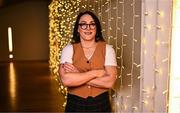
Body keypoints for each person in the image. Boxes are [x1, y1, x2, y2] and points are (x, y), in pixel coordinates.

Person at [59, 11, 117, 112]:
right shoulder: (68, 49)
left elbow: (110, 82)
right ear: (78, 28)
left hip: (100, 103)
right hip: (75, 103)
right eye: (83, 24)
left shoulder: (108, 49)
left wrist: (78, 74)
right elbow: (66, 80)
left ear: (96, 28)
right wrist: (96, 73)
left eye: (92, 24)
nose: (88, 28)